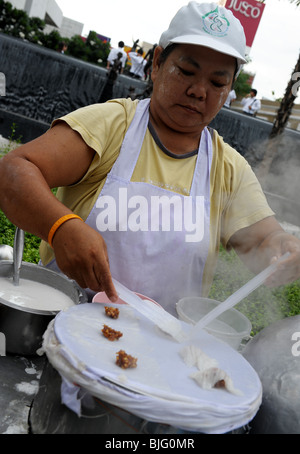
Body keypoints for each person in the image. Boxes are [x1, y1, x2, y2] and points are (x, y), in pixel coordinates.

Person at [0, 2, 299, 314]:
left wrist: (282, 251)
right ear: (157, 63)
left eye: (217, 83)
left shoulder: (228, 169)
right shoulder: (111, 126)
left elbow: (265, 243)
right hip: (61, 324)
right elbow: (13, 170)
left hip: (160, 351)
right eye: (186, 71)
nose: (199, 90)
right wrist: (60, 226)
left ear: (228, 91)